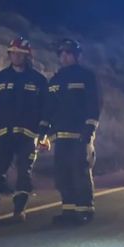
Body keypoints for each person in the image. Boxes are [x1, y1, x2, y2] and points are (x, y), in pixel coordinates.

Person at [0, 37, 48, 224]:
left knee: (24, 173)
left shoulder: (39, 81)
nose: (16, 56)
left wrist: (44, 135)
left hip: (28, 136)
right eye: (14, 53)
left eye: (21, 54)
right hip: (2, 135)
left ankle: (19, 210)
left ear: (27, 56)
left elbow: (45, 110)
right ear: (10, 54)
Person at [39, 39, 102, 225]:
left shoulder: (86, 77)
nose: (65, 57)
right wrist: (43, 132)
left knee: (80, 171)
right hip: (60, 136)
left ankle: (85, 210)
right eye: (62, 53)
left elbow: (94, 104)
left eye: (69, 53)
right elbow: (48, 109)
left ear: (77, 55)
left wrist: (89, 130)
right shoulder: (55, 80)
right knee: (63, 174)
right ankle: (68, 210)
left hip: (80, 135)